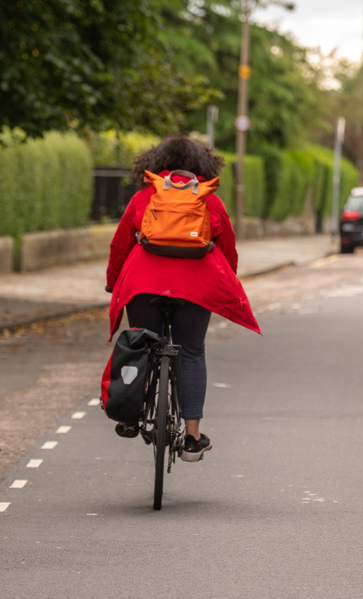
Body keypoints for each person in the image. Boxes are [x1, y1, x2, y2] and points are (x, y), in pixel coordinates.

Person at [105, 135, 260, 462]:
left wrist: (112, 283)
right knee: (191, 351)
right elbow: (228, 250)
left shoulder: (144, 197)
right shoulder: (209, 200)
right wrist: (225, 280)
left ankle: (131, 416)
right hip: (196, 287)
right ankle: (192, 438)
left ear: (153, 163)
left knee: (142, 345)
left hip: (143, 283)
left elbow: (119, 246)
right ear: (202, 166)